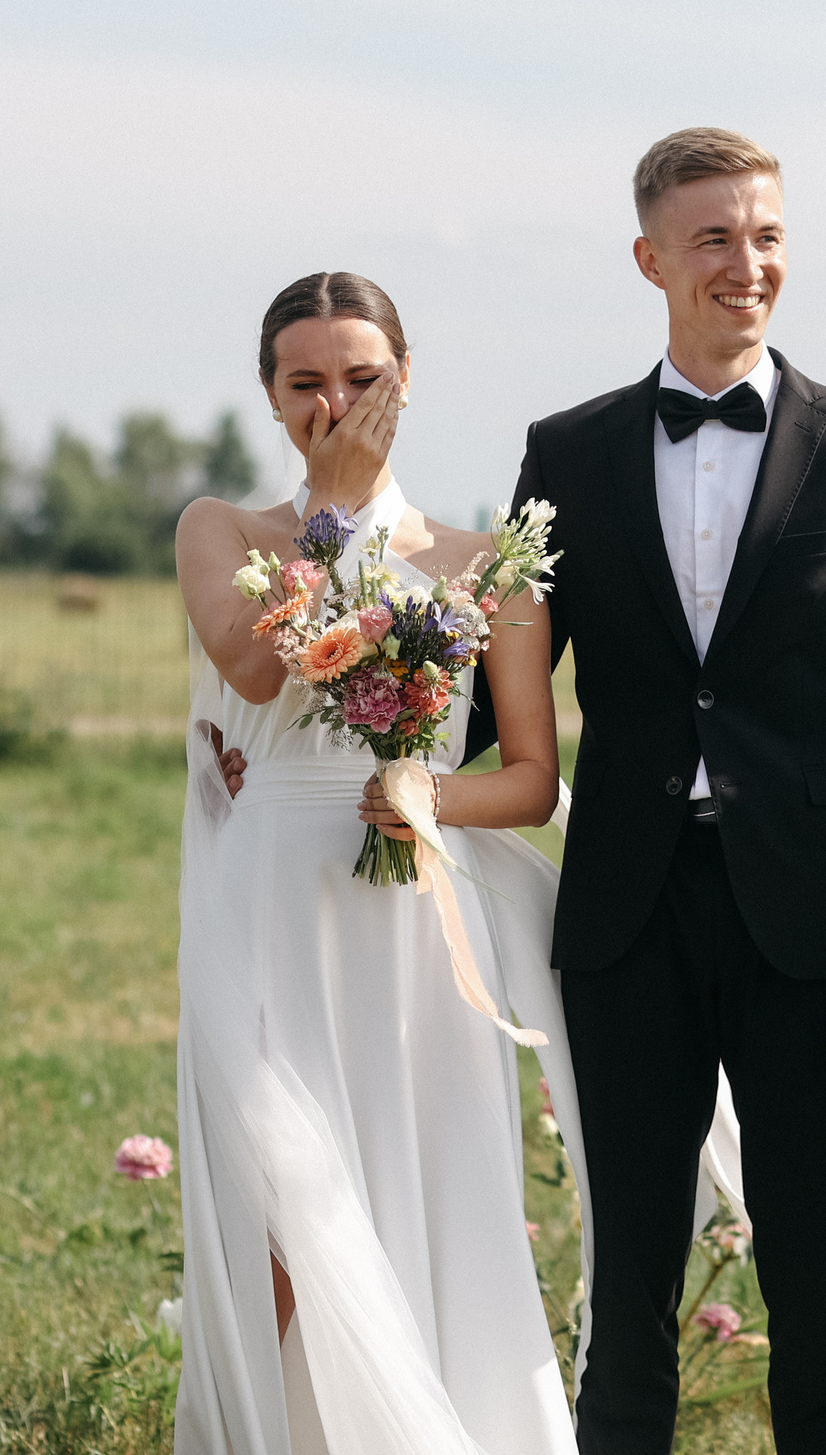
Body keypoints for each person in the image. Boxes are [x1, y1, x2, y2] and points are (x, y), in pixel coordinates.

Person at [464, 128, 826, 1455]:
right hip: (627, 915)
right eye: (717, 238)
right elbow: (502, 685)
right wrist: (390, 772)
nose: (749, 264)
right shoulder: (563, 454)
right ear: (651, 259)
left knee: (817, 1274)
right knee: (627, 1278)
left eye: (770, 236)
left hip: (812, 932)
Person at [169, 271, 587, 1454]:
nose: (334, 403)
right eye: (305, 382)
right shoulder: (223, 530)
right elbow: (252, 672)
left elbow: (531, 782)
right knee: (281, 1204)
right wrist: (333, 519)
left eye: (362, 378)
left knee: (421, 1187)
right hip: (264, 907)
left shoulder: (481, 563)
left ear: (406, 380)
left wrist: (427, 793)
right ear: (268, 394)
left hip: (409, 925)